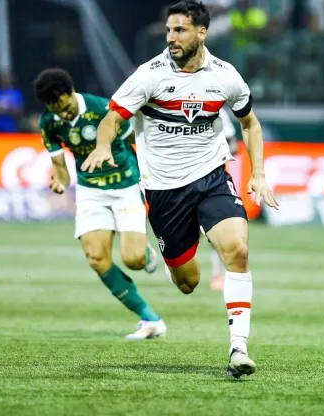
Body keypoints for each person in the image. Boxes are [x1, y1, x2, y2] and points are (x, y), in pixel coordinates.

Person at [81, 0, 279, 378]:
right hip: (163, 191)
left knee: (237, 249)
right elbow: (111, 119)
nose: (171, 37)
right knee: (188, 283)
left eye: (180, 30)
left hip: (211, 178)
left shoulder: (224, 75)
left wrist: (259, 173)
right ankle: (167, 259)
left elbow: (250, 124)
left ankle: (239, 348)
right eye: (169, 30)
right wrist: (103, 146)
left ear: (201, 33)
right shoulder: (148, 75)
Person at [33, 68, 166, 341]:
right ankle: (149, 318)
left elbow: (134, 141)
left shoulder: (102, 107)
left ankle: (146, 254)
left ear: (72, 93)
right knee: (96, 258)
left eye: (65, 106)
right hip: (90, 191)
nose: (63, 114)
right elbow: (61, 169)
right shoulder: (48, 123)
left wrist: (152, 173)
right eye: (55, 109)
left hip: (125, 185)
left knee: (133, 259)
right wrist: (59, 181)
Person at [207, 107, 238, 291]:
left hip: (212, 179)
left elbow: (231, 144)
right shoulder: (173, 107)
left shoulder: (216, 111)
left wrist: (218, 149)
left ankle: (217, 273)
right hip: (181, 180)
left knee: (216, 230)